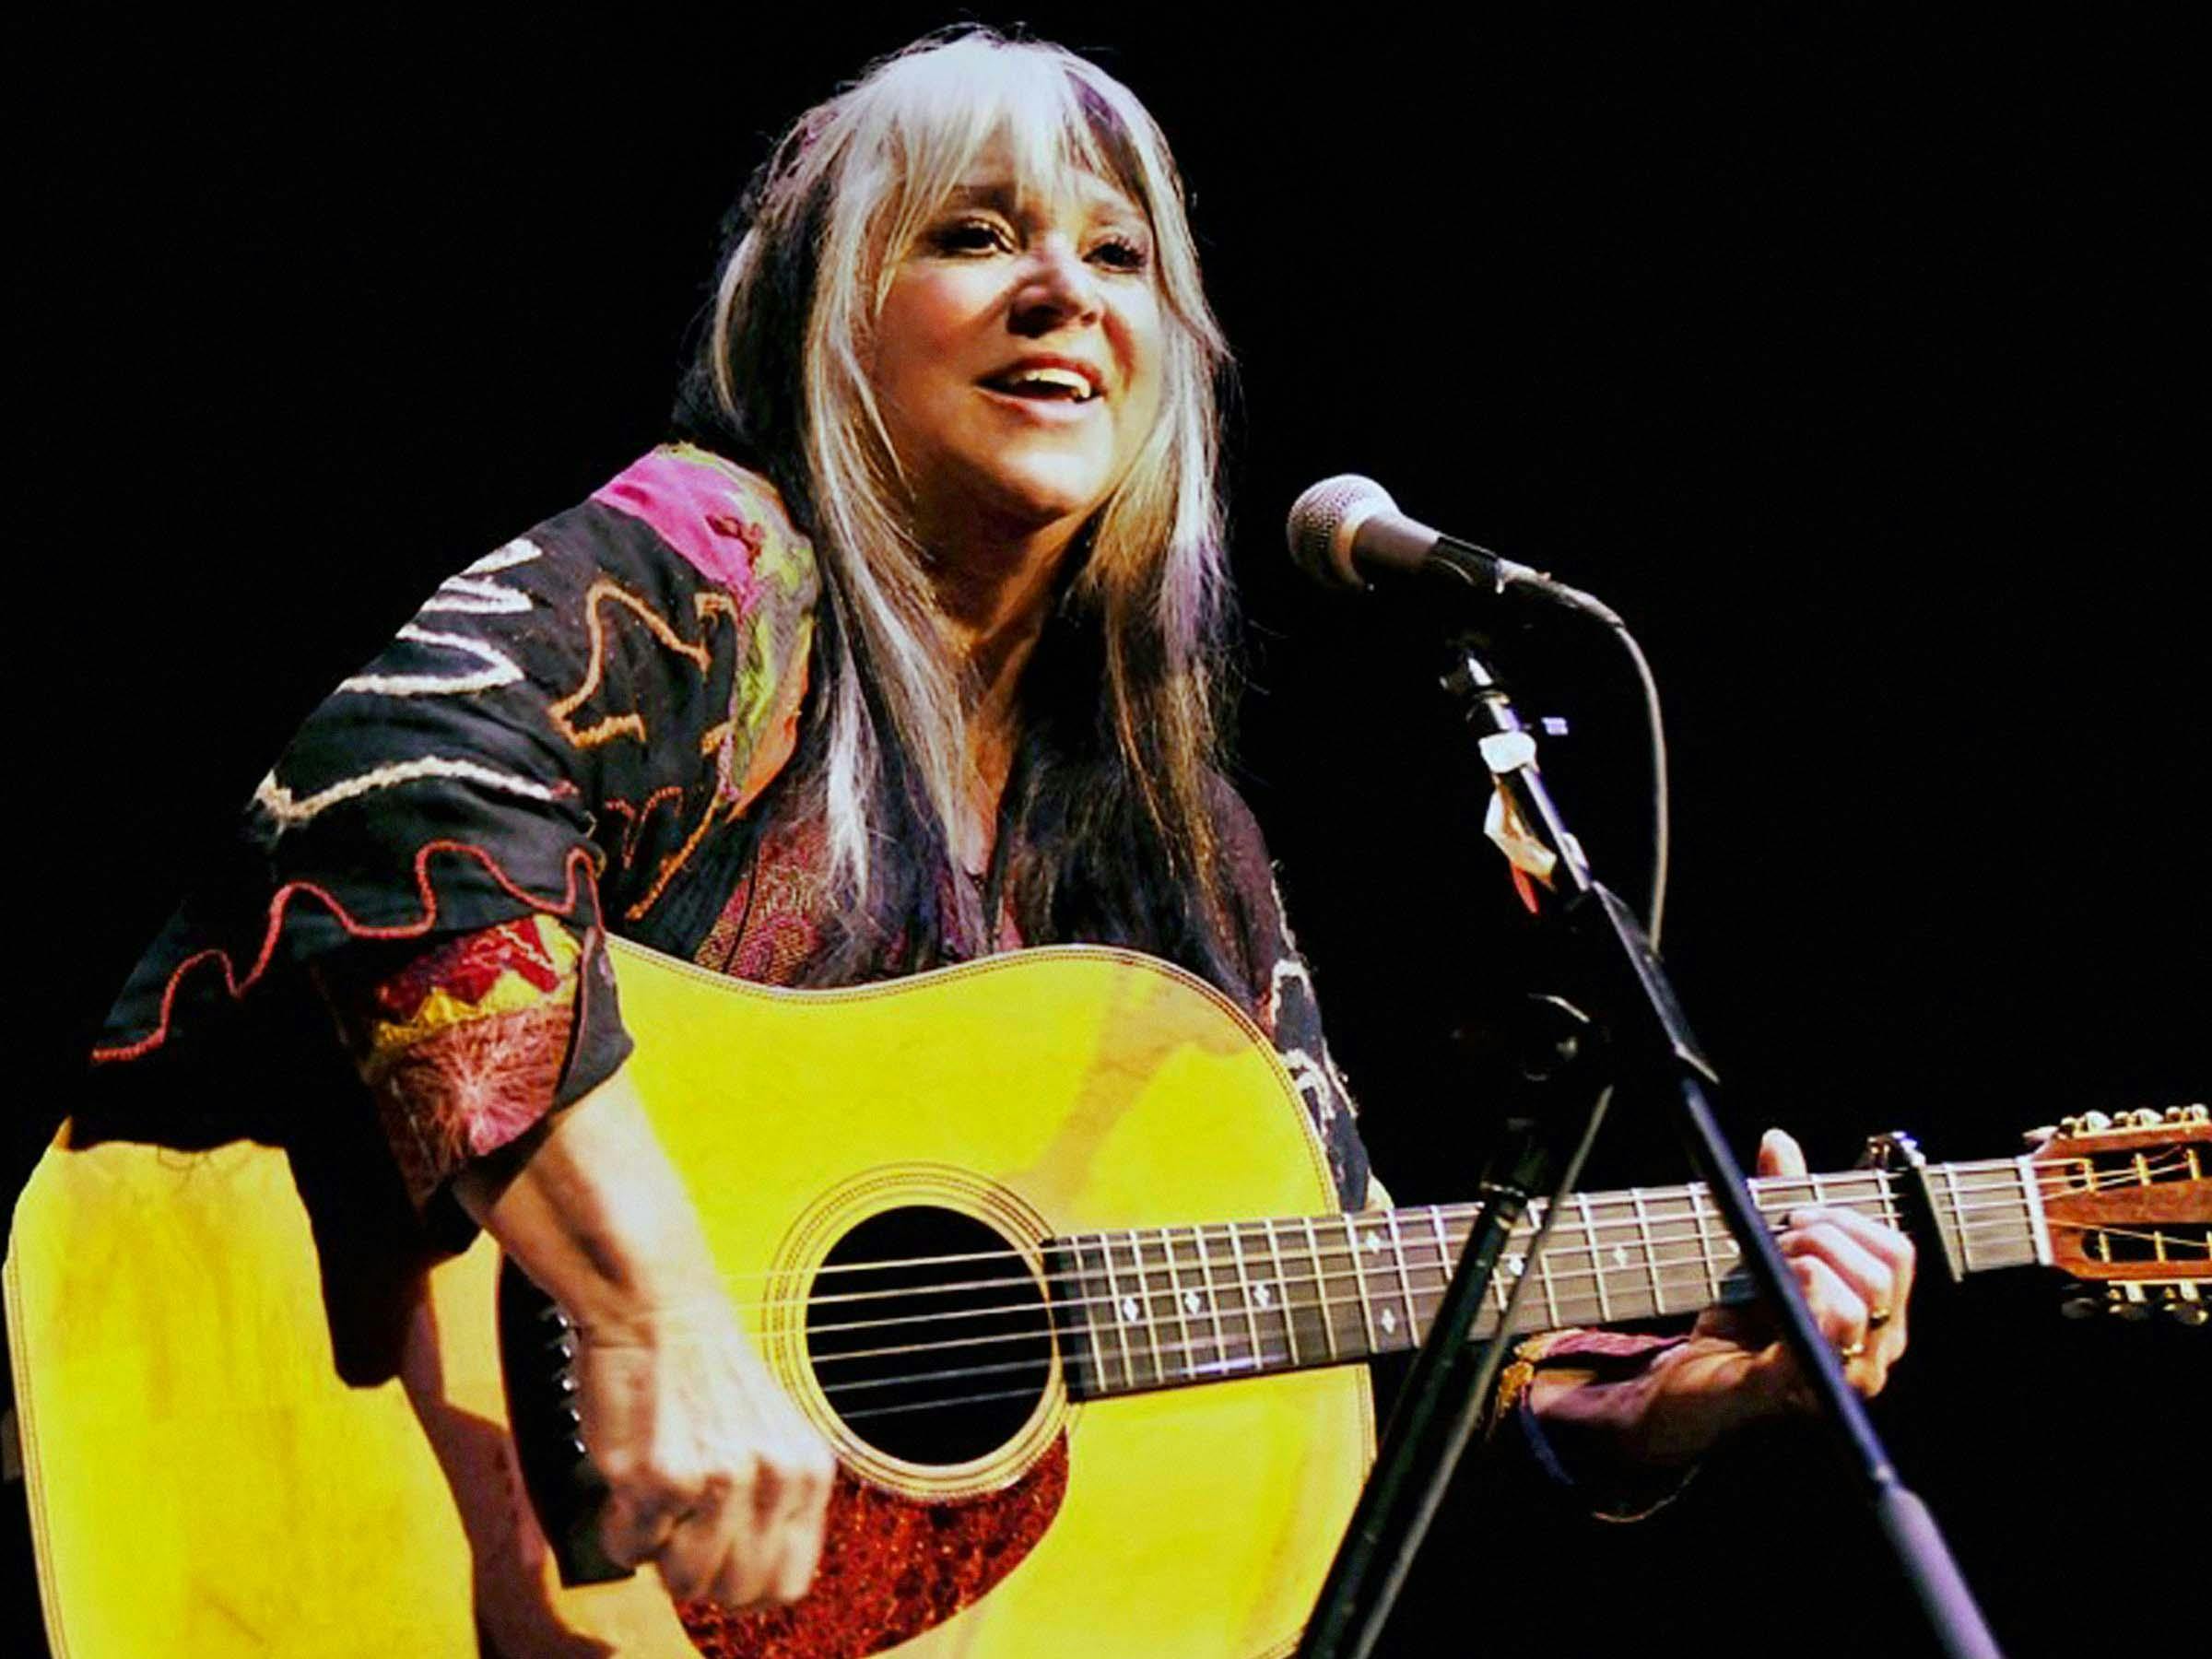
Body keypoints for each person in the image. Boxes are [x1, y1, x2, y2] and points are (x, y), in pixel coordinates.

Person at [89, 24, 1916, 1638]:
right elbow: (392, 784)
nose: (1065, 294)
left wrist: (1653, 1406)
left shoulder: (1173, 839)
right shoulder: (720, 571)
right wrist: (653, 1308)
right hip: (264, 1446)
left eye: (1119, 256)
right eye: (975, 235)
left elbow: (1338, 1295)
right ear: (826, 316)